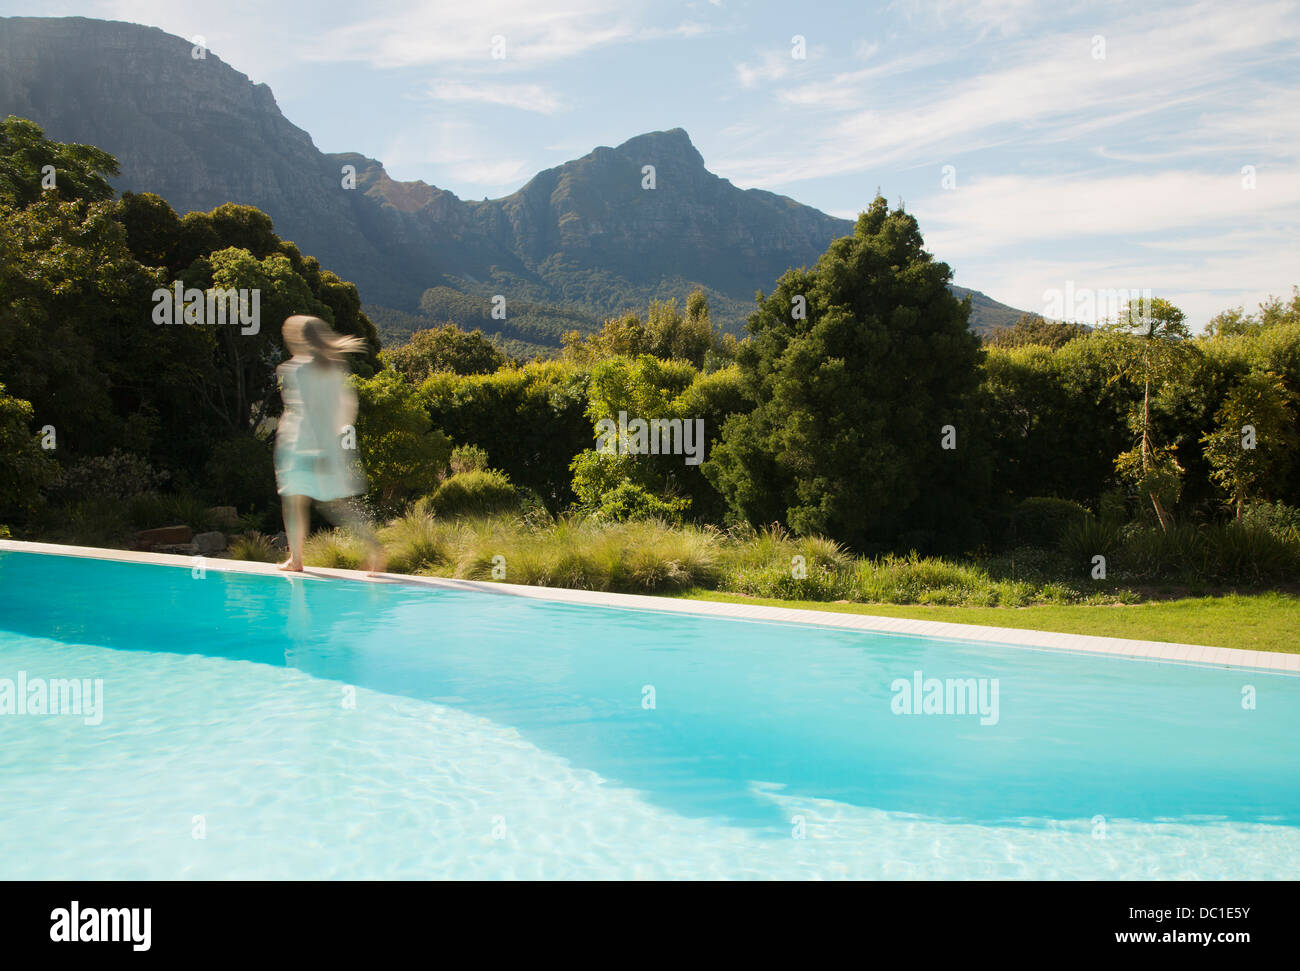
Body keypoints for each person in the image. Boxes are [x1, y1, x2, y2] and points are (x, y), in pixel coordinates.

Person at [274, 314, 385, 576]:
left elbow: (304, 411)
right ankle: (374, 548)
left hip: (301, 443)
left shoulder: (295, 370)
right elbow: (347, 408)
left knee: (293, 500)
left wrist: (314, 449)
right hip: (330, 443)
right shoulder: (335, 368)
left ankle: (296, 558)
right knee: (337, 503)